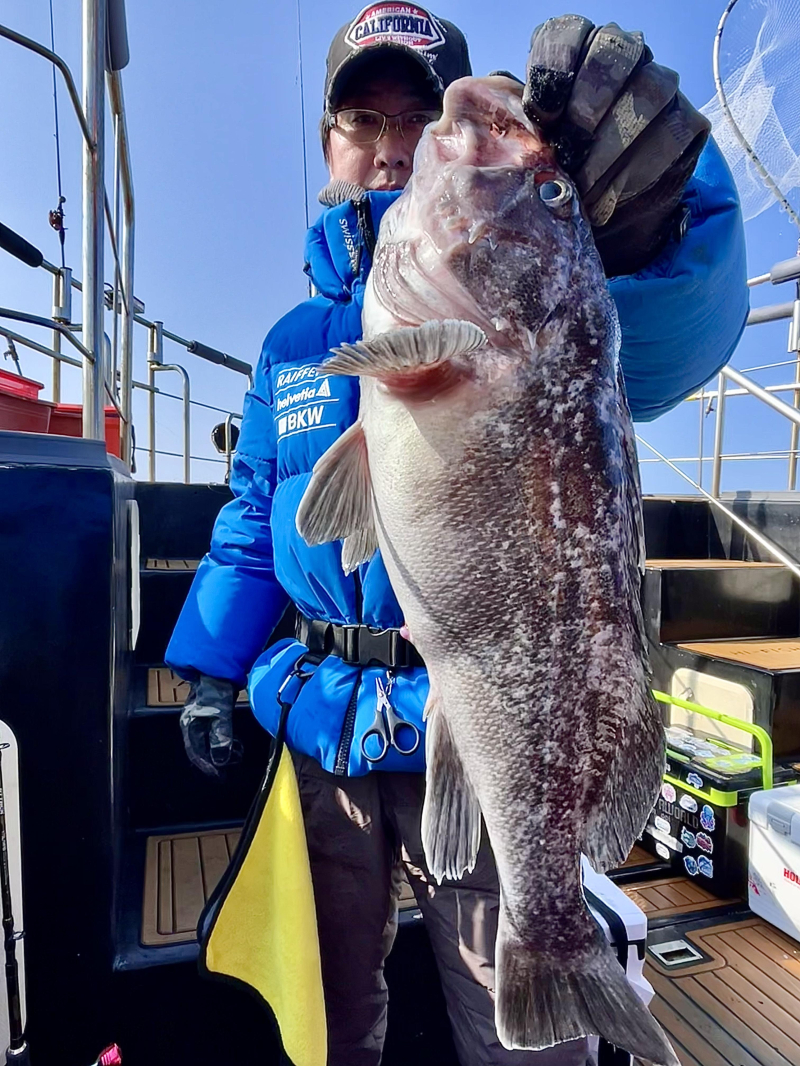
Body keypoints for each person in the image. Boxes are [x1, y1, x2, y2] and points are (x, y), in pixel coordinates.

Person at [167, 7, 748, 1065]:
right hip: (320, 733)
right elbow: (255, 512)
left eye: (418, 111)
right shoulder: (292, 344)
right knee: (324, 1019)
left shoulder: (552, 310)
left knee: (516, 1035)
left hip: (474, 734)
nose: (393, 138)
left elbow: (675, 322)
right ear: (327, 145)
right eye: (361, 116)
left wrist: (649, 215)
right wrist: (209, 668)